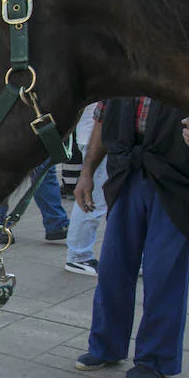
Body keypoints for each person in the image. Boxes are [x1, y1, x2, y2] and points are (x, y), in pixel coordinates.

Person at [74, 98, 189, 378]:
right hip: (126, 173)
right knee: (112, 268)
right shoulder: (123, 68)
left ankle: (155, 359)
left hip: (177, 180)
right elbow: (102, 118)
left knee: (163, 272)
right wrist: (87, 172)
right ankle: (105, 347)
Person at [65, 105, 108, 275]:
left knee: (95, 198)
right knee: (93, 200)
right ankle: (78, 255)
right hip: (96, 139)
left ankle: (79, 254)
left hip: (96, 137)